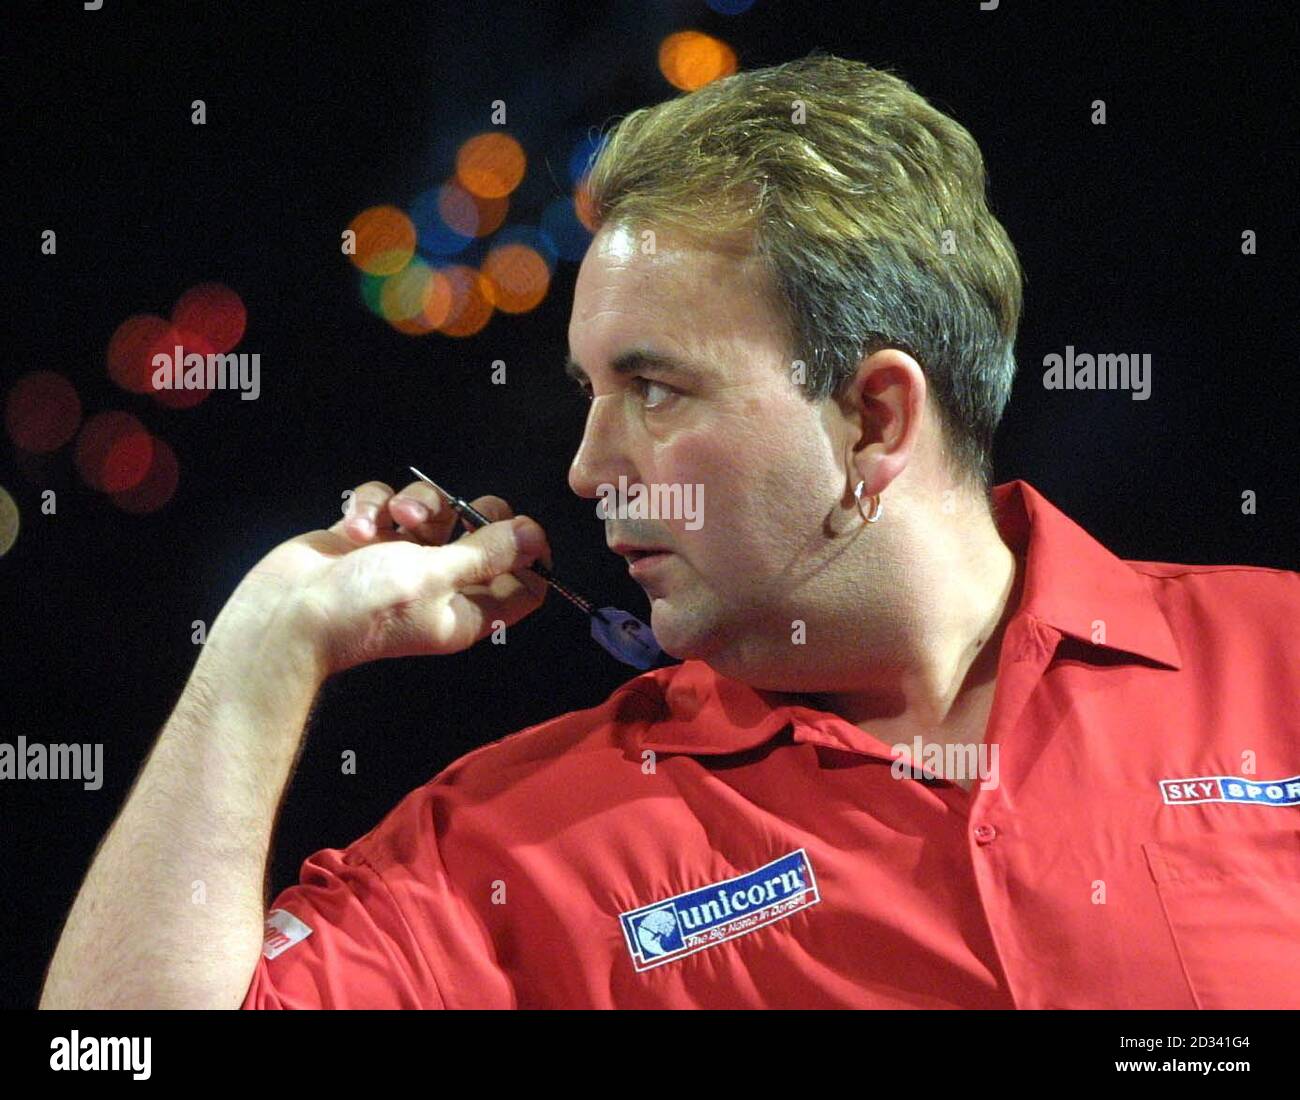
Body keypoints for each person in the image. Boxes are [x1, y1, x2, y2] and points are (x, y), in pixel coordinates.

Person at [41, 53, 1300, 1010]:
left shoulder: (1277, 659)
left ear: (871, 416)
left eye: (653, 387)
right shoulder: (507, 851)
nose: (587, 470)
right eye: (591, 394)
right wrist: (264, 649)